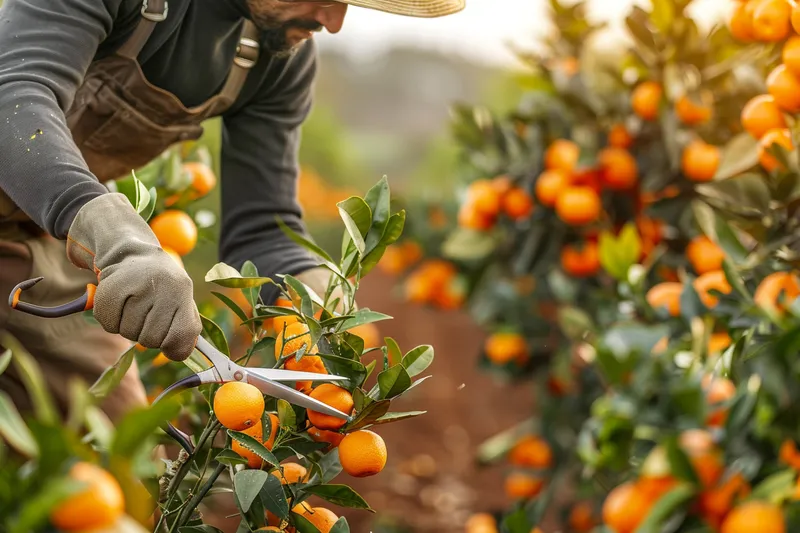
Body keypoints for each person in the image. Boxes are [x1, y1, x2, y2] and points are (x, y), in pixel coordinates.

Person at [0, 0, 464, 421]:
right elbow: (15, 100)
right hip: (63, 223)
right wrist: (118, 239)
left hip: (34, 242)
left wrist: (313, 295)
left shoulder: (278, 56)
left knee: (114, 465)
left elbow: (261, 229)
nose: (334, 21)